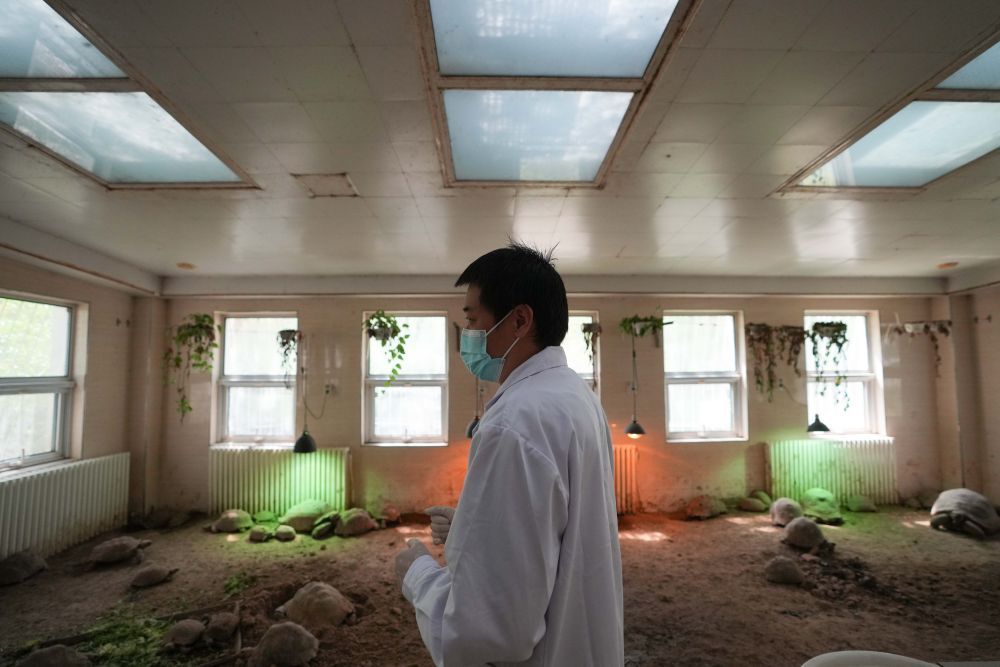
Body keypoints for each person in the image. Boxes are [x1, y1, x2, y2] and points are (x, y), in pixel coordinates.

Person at [394, 242, 624, 666]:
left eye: (472, 319)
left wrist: (418, 574)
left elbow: (493, 631)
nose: (467, 334)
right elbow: (556, 526)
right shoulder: (575, 396)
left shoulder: (514, 422)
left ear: (519, 320)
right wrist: (473, 526)